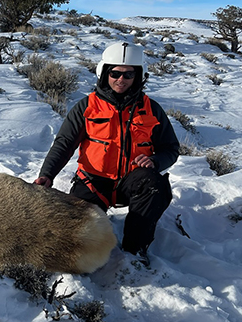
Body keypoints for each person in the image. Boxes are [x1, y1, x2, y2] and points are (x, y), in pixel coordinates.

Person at [35, 41, 180, 258]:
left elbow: (171, 148)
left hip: (133, 181)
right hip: (93, 182)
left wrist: (156, 161)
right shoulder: (86, 106)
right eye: (115, 73)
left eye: (129, 74)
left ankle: (135, 251)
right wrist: (47, 175)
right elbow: (64, 143)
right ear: (104, 73)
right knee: (79, 231)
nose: (121, 79)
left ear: (139, 76)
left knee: (155, 185)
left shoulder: (152, 108)